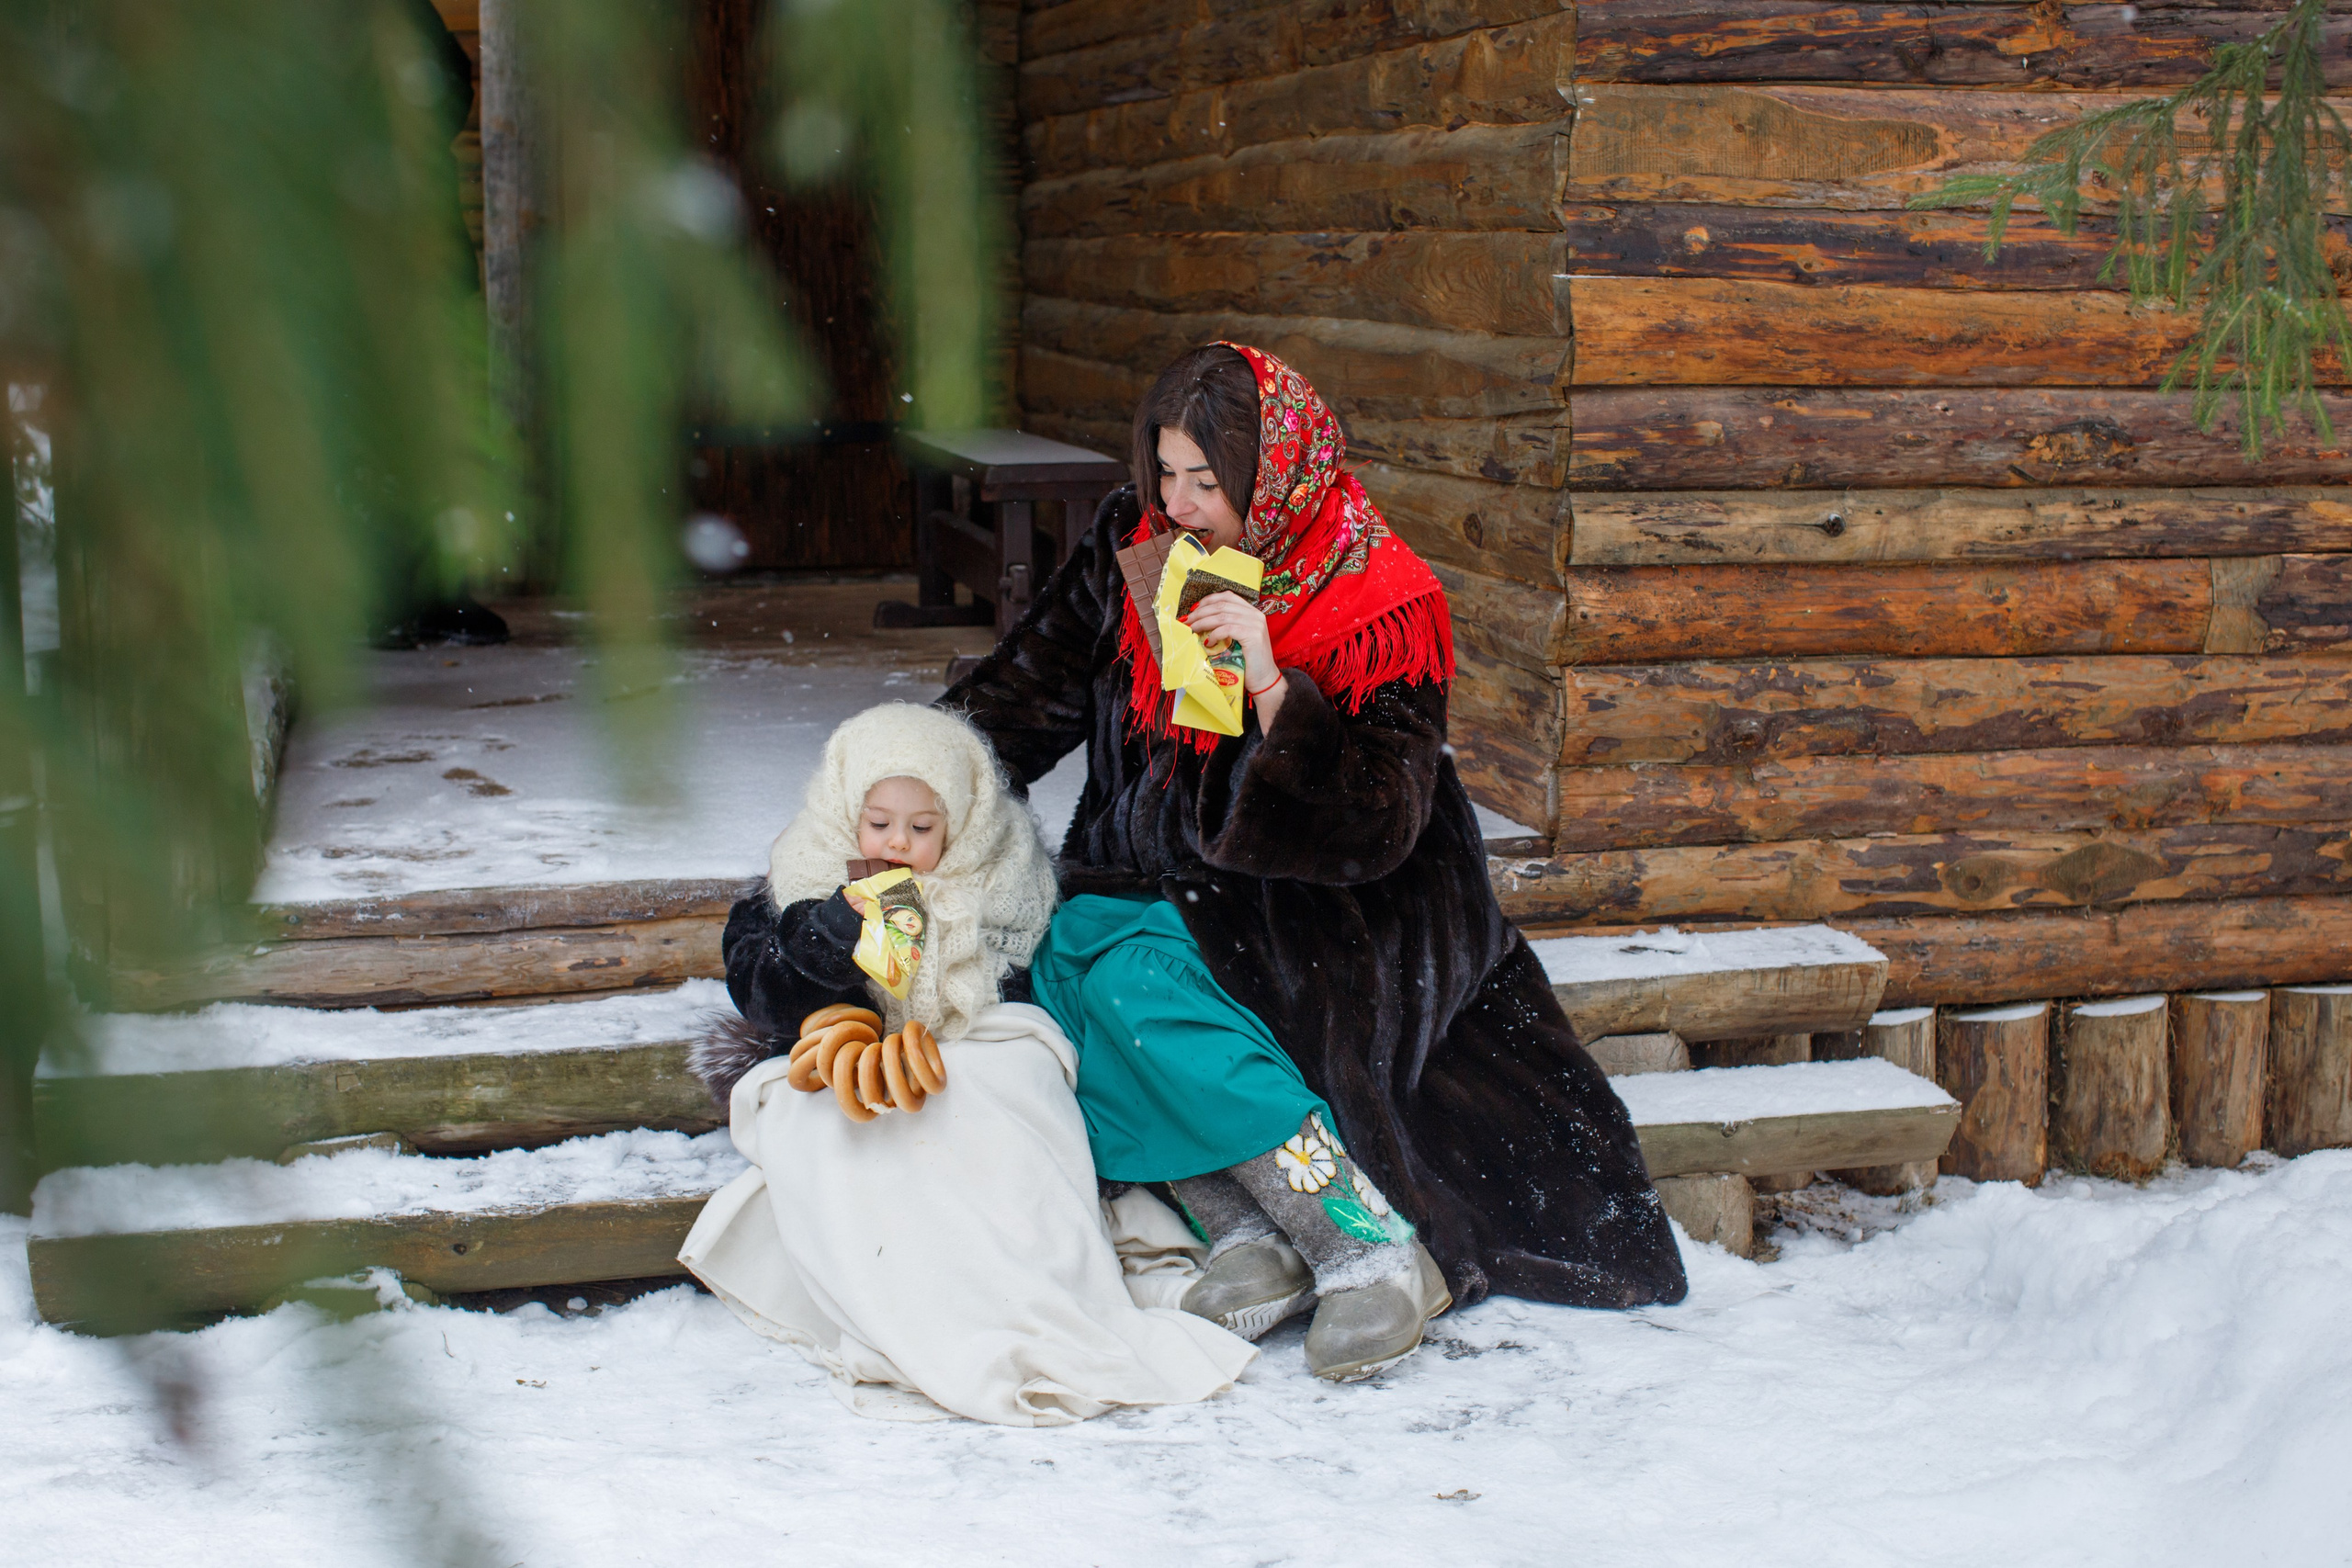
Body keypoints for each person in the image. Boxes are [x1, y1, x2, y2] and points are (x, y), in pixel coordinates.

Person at [943, 344, 1689, 1381]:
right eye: (1166, 473)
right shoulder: (1136, 547)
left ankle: (1361, 1239)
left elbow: (1377, 823)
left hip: (1332, 901)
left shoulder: (1380, 600)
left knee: (1138, 987)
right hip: (1148, 880)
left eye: (1208, 482)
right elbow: (1020, 701)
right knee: (1055, 968)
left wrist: (1273, 690)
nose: (1179, 504)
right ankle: (1255, 1235)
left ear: (1275, 474)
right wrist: (910, 785)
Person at [678, 703, 1255, 1425]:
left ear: (960, 822)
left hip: (972, 1040)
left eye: (922, 828)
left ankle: (1015, 1292)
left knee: (997, 1095)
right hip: (845, 1057)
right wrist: (831, 941)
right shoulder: (801, 871)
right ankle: (913, 1302)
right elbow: (761, 990)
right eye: (878, 822)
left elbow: (1033, 985)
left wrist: (951, 1018)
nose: (897, 842)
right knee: (834, 1128)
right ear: (846, 809)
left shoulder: (1006, 875)